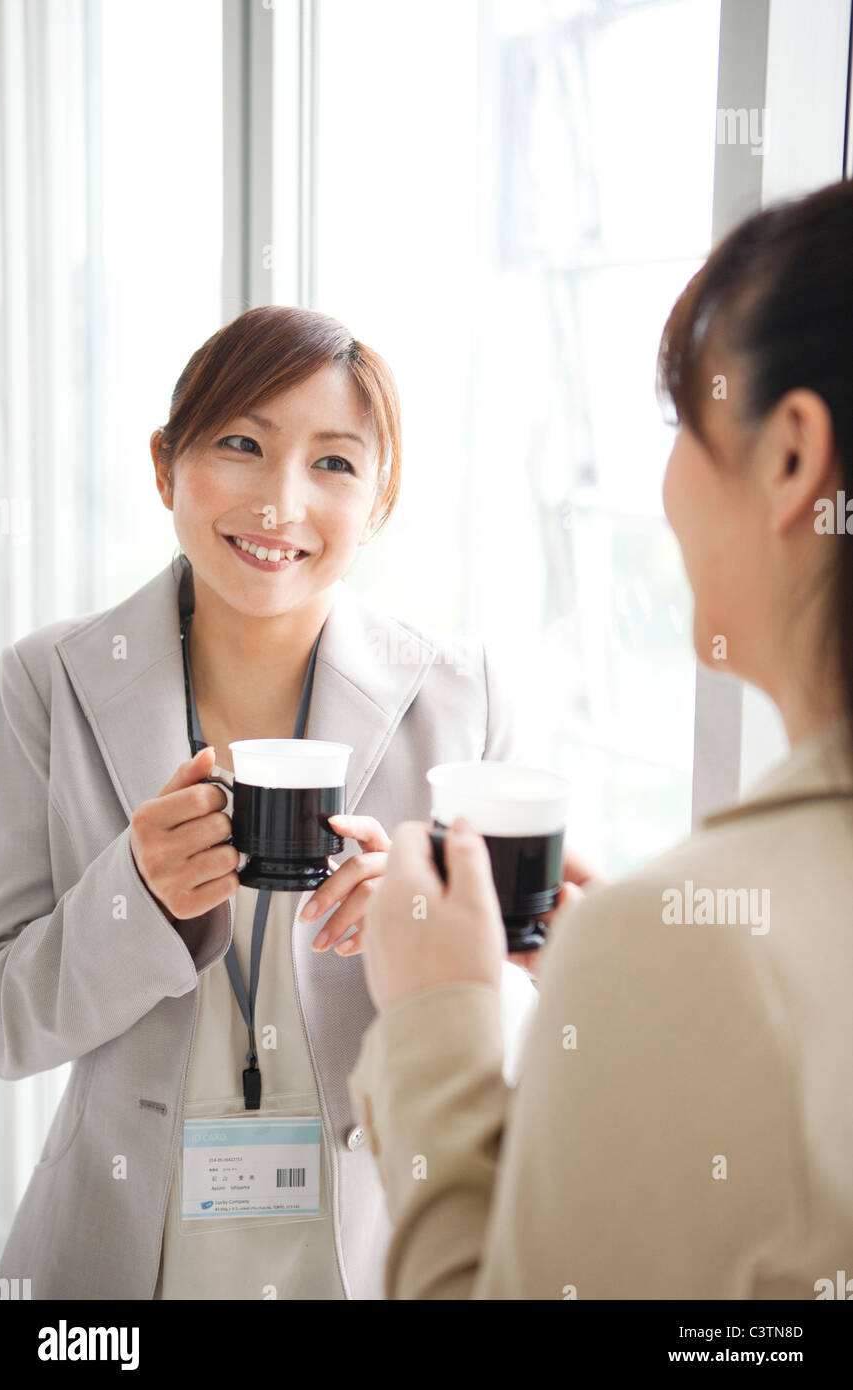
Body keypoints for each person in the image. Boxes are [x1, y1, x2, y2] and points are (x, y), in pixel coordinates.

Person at [348, 179, 853, 1299]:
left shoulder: (692, 951)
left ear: (789, 458)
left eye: (684, 426)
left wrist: (438, 1020)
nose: (666, 489)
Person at [0, 305, 539, 1300]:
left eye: (333, 463)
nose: (281, 503)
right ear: (165, 467)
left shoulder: (464, 693)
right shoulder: (49, 681)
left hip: (370, 1250)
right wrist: (135, 897)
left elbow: (528, 1019)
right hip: (121, 1259)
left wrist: (428, 949)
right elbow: (0, 1022)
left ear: (378, 499)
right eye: (241, 444)